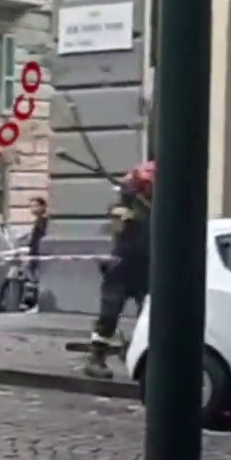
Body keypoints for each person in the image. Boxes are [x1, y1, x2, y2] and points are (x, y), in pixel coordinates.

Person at [82, 162, 153, 379]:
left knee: (148, 318)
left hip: (147, 269)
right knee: (109, 315)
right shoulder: (123, 209)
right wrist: (127, 210)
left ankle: (134, 351)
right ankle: (96, 359)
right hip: (121, 269)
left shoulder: (159, 207)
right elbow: (116, 228)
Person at [23, 196, 49, 312]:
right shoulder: (38, 222)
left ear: (42, 206)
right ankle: (37, 304)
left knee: (39, 281)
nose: (32, 209)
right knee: (35, 281)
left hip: (40, 256)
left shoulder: (44, 222)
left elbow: (40, 239)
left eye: (35, 206)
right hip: (35, 255)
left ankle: (39, 304)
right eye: (31, 206)